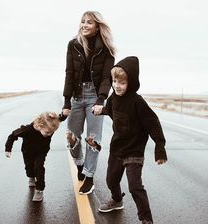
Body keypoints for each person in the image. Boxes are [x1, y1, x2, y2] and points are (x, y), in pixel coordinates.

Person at [93, 56, 167, 224]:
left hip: (134, 151)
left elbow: (152, 123)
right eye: (114, 81)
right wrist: (101, 110)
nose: (117, 86)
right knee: (111, 180)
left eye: (122, 83)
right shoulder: (114, 97)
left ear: (131, 82)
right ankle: (117, 200)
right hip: (117, 149)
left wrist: (160, 146)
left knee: (135, 187)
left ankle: (146, 219)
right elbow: (111, 110)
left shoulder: (137, 102)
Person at [62, 11, 115, 194]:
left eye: (89, 22)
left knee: (93, 140)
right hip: (76, 96)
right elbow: (69, 73)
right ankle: (79, 164)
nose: (84, 25)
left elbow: (107, 78)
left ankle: (89, 177)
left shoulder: (106, 48)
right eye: (82, 22)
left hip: (95, 96)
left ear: (97, 26)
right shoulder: (73, 44)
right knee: (71, 137)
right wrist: (66, 101)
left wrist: (101, 100)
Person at [5, 112, 67, 202]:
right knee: (29, 168)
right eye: (47, 132)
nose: (49, 134)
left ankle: (39, 189)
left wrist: (64, 114)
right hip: (27, 152)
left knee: (39, 167)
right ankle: (31, 177)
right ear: (40, 126)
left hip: (41, 152)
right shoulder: (27, 130)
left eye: (52, 132)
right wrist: (8, 149)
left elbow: (59, 119)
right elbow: (12, 135)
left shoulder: (50, 126)